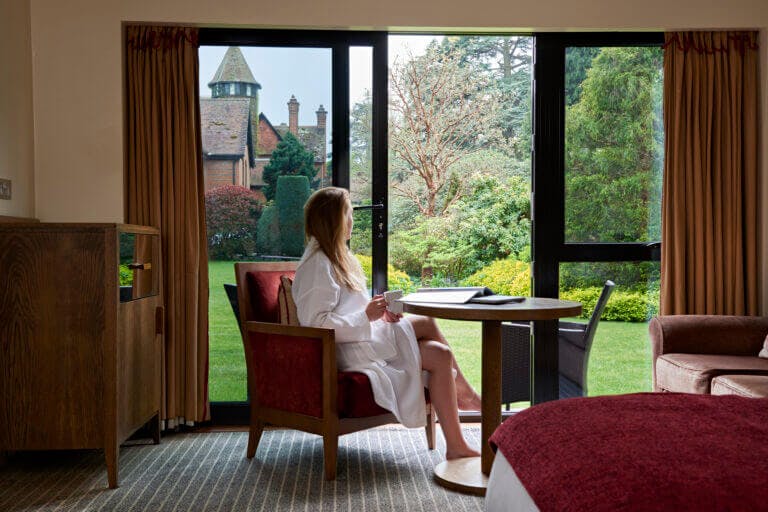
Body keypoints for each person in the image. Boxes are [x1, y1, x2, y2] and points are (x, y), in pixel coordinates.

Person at [292, 186, 481, 460]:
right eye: (348, 214)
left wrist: (379, 313)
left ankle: (456, 446)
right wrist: (366, 316)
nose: (352, 221)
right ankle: (468, 396)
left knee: (440, 354)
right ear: (333, 220)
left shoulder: (339, 258)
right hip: (347, 350)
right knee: (426, 321)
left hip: (363, 337)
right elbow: (315, 325)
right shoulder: (317, 265)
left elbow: (347, 308)